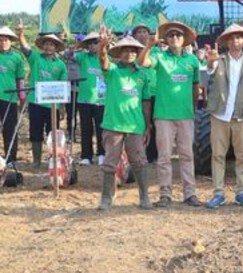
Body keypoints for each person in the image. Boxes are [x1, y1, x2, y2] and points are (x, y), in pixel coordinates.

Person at [138, 21, 202, 207]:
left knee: (187, 155)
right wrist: (149, 45)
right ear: (166, 39)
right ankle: (165, 194)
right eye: (171, 35)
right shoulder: (159, 57)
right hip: (164, 115)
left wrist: (191, 108)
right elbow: (142, 62)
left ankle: (190, 193)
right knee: (164, 156)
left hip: (185, 116)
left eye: (178, 35)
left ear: (184, 40)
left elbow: (195, 87)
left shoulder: (192, 60)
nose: (175, 38)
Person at [203, 24, 243, 209]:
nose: (235, 41)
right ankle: (218, 193)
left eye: (239, 37)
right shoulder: (218, 60)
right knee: (218, 155)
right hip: (220, 115)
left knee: (242, 155)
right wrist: (210, 61)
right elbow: (210, 69)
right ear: (226, 42)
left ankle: (241, 192)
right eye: (231, 38)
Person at [96, 30, 153, 210]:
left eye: (133, 51)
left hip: (136, 125)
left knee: (140, 162)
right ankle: (106, 198)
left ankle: (144, 197)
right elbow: (103, 61)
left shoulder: (143, 74)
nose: (130, 53)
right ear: (119, 53)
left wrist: (147, 125)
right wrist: (102, 46)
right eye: (126, 50)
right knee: (110, 164)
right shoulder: (112, 71)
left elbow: (145, 103)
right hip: (113, 124)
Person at [16, 25, 68, 173]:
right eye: (46, 43)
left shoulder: (61, 65)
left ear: (56, 47)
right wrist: (21, 34)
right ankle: (37, 162)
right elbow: (25, 48)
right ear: (43, 46)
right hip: (36, 103)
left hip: (53, 106)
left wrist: (63, 106)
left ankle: (53, 161)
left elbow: (63, 86)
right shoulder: (35, 58)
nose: (49, 46)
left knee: (53, 135)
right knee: (35, 133)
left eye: (52, 44)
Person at [69, 31, 106, 166]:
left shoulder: (105, 57)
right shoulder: (83, 57)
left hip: (102, 99)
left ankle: (102, 153)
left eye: (96, 43)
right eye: (90, 43)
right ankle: (86, 156)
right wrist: (79, 44)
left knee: (101, 128)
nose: (92, 46)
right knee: (86, 128)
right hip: (84, 99)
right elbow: (69, 55)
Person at [131, 24, 158, 163]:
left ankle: (153, 154)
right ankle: (139, 153)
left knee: (154, 124)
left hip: (155, 93)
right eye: (139, 32)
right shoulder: (131, 52)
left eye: (145, 32)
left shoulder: (157, 52)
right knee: (140, 123)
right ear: (134, 36)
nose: (142, 34)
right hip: (136, 94)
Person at [0, 26, 26, 165]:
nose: (3, 42)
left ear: (10, 41)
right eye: (0, 40)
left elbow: (20, 80)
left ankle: (11, 158)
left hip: (9, 98)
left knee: (10, 129)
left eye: (5, 40)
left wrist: (22, 98)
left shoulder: (17, 58)